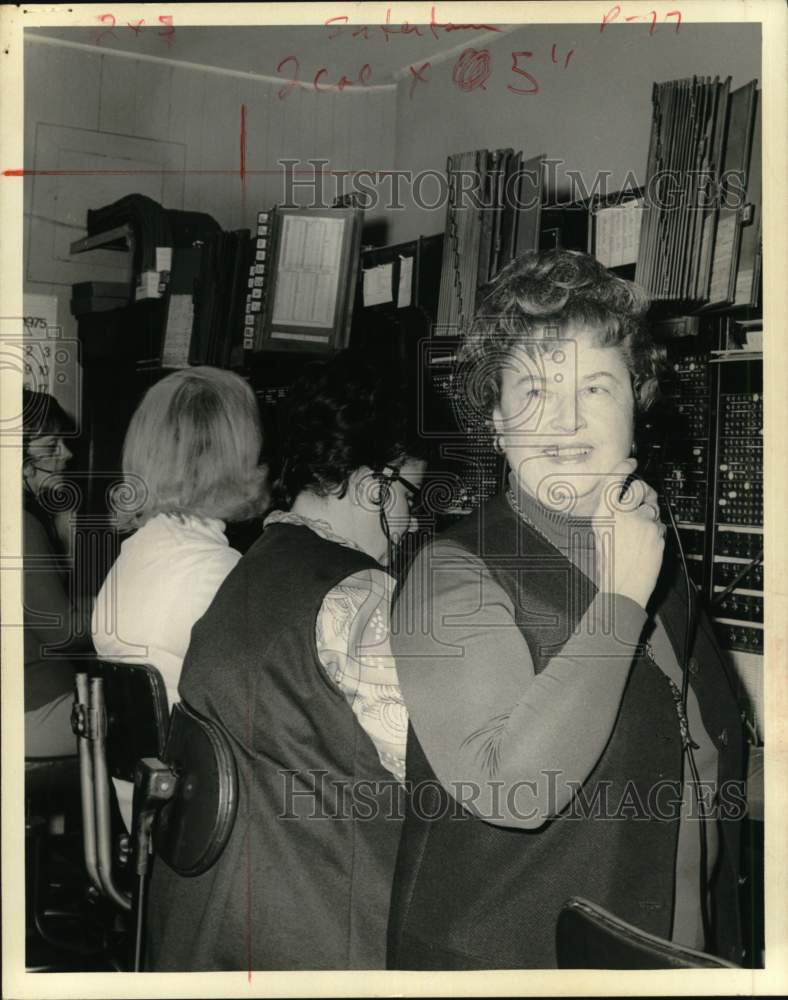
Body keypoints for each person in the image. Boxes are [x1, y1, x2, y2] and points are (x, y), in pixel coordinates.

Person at [387, 249, 745, 969]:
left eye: (596, 388)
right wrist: (618, 601)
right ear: (494, 416)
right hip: (506, 966)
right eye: (534, 392)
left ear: (637, 405)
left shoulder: (646, 548)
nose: (565, 422)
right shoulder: (448, 577)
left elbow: (703, 752)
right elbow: (512, 789)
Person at [144, 353, 427, 971]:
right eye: (409, 492)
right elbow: (439, 773)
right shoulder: (358, 595)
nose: (409, 521)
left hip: (208, 923)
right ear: (372, 485)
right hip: (324, 931)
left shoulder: (250, 567)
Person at [91, 367, 268, 825]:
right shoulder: (217, 571)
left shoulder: (135, 553)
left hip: (141, 813)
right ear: (233, 456)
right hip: (198, 823)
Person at [23, 389, 91, 758]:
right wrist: (117, 618)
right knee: (143, 721)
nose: (66, 455)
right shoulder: (19, 524)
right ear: (20, 460)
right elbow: (62, 633)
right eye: (52, 447)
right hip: (35, 712)